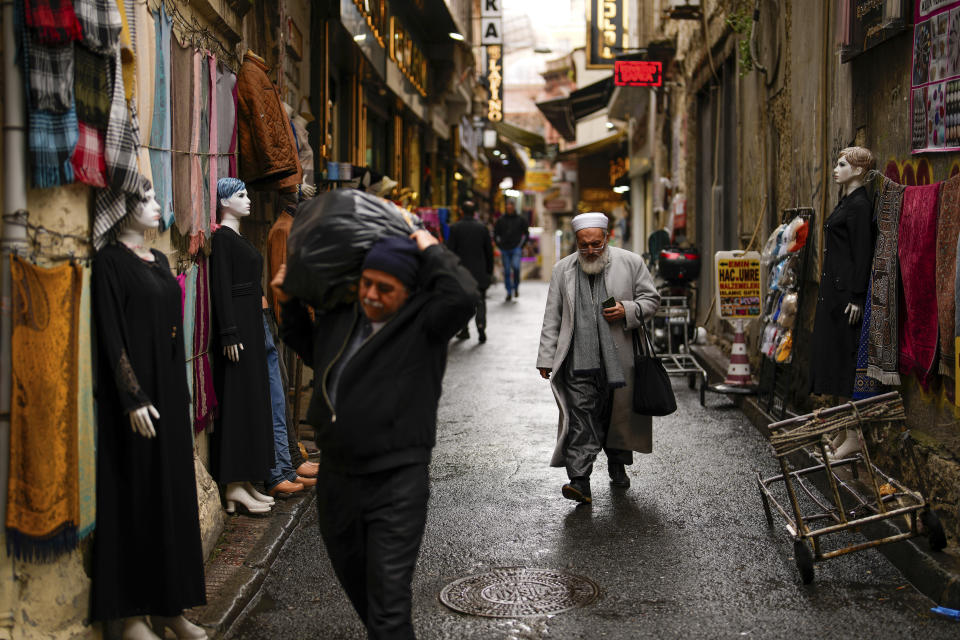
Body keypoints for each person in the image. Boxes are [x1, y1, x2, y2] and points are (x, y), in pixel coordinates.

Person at [274, 232, 478, 639]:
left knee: (387, 605)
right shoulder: (345, 315)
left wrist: (429, 247)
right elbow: (316, 354)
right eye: (366, 283)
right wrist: (289, 304)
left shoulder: (426, 324)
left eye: (385, 288)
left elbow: (463, 295)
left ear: (408, 291)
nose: (371, 295)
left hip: (396, 482)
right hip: (337, 479)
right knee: (363, 595)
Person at [536, 212, 660, 503]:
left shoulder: (631, 263)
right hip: (577, 361)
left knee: (615, 416)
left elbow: (651, 300)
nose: (590, 250)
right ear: (576, 241)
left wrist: (627, 310)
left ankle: (617, 463)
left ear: (607, 238)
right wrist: (545, 357)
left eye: (596, 244)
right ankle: (580, 480)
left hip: (621, 358)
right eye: (583, 245)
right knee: (581, 416)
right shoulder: (562, 269)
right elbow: (552, 317)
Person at [810, 146, 876, 459]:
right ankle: (842, 427)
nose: (836, 169)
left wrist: (858, 296)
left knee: (848, 364)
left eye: (842, 164)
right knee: (835, 361)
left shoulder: (860, 205)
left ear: (859, 170)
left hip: (846, 296)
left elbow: (863, 252)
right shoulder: (847, 201)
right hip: (834, 294)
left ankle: (854, 436)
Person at [447, 200, 494, 343]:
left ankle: (464, 329)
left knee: (462, 302)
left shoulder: (455, 228)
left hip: (462, 273)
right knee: (480, 301)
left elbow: (450, 252)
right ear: (474, 212)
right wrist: (489, 272)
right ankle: (480, 325)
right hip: (479, 273)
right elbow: (489, 252)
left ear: (461, 211)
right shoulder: (482, 228)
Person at [494, 199, 529, 301]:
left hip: (516, 248)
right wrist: (499, 245)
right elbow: (496, 234)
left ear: (514, 207)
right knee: (507, 271)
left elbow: (526, 233)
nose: (509, 208)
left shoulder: (520, 219)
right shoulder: (501, 220)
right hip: (505, 249)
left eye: (511, 206)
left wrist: (521, 246)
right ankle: (509, 291)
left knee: (516, 267)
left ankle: (516, 287)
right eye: (507, 206)